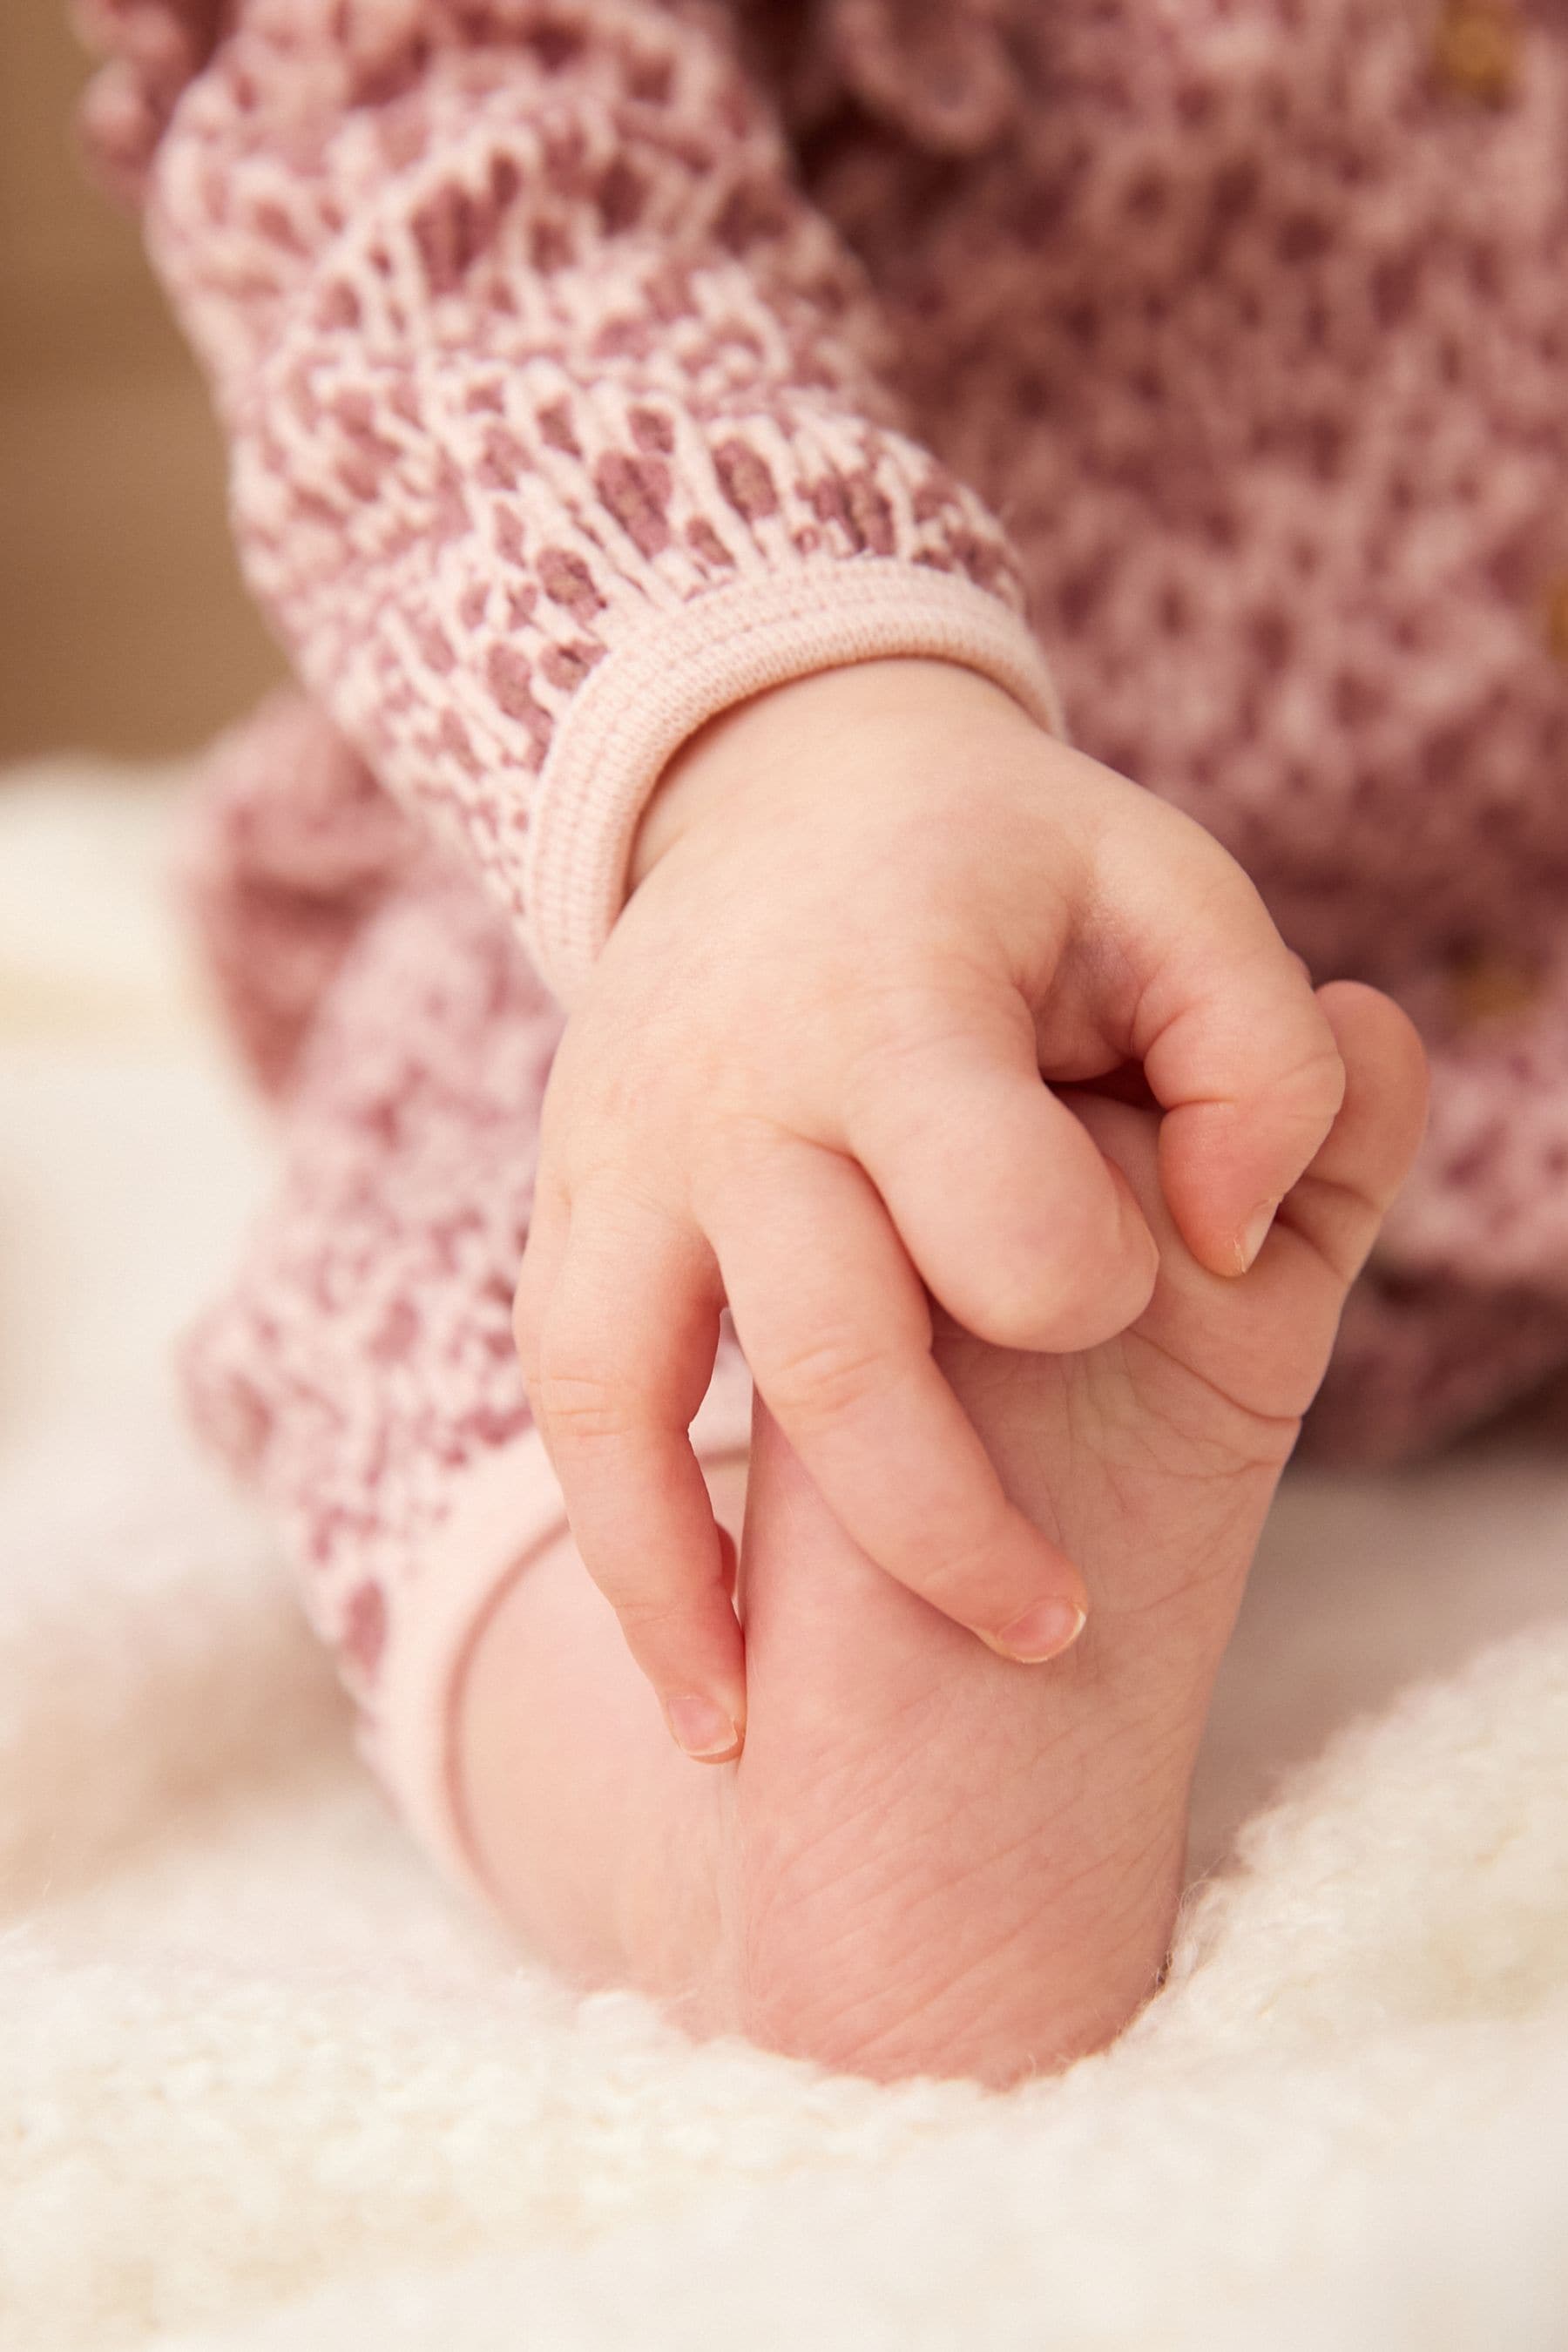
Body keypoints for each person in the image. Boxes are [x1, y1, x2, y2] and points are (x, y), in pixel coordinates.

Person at [71, 0, 1565, 2084]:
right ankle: (757, 1814)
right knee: (517, 1258)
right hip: (769, 859)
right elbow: (450, 114)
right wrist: (784, 743)